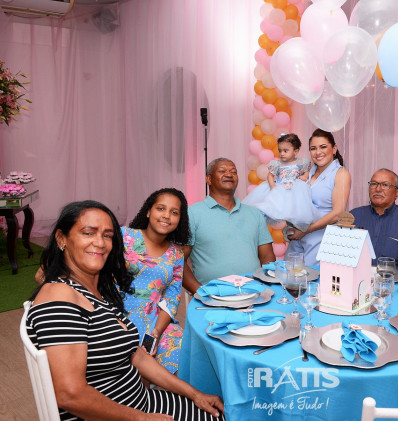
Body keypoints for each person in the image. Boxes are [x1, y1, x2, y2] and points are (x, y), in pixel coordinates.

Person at [26, 200, 224, 420]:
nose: (100, 242)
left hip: (141, 402)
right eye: (88, 233)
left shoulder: (95, 291)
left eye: (107, 235)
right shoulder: (60, 296)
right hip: (119, 415)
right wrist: (142, 418)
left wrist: (196, 394)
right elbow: (70, 395)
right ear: (61, 238)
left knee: (220, 410)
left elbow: (138, 357)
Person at [121, 188, 189, 374]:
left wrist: (156, 332)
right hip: (117, 317)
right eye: (161, 208)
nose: (166, 216)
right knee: (137, 370)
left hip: (156, 321)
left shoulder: (176, 254)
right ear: (148, 211)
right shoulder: (124, 236)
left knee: (182, 350)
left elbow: (172, 299)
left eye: (174, 212)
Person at [183, 158, 276, 291]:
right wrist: (202, 292)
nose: (229, 174)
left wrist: (265, 286)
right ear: (209, 179)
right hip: (213, 295)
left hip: (252, 292)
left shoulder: (254, 213)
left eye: (233, 172)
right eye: (222, 171)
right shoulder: (191, 214)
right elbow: (178, 260)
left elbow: (267, 255)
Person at [286, 129, 351, 267]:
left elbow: (338, 213)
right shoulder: (307, 173)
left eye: (323, 147)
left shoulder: (341, 174)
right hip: (298, 239)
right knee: (289, 276)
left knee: (315, 278)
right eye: (313, 148)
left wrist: (306, 230)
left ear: (334, 149)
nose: (318, 152)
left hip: (322, 240)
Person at [243, 133, 320, 231]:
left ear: (295, 151)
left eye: (285, 151)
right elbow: (270, 175)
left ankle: (294, 222)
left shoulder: (302, 162)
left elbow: (307, 171)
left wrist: (305, 176)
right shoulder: (277, 164)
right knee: (274, 204)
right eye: (280, 151)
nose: (282, 153)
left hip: (295, 188)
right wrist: (272, 185)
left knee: (296, 206)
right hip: (280, 187)